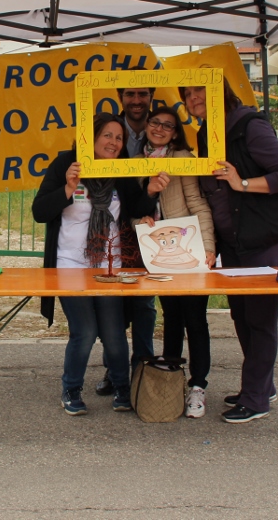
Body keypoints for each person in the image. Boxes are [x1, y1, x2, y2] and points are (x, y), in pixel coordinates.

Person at [180, 78, 278, 423]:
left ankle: (256, 398)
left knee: (261, 319)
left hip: (263, 238)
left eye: (199, 90)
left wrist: (243, 183)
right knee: (242, 315)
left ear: (219, 91)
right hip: (233, 241)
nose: (193, 97)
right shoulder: (206, 133)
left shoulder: (250, 127)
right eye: (187, 94)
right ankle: (261, 385)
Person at [32, 112, 166, 416]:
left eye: (119, 138)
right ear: (90, 137)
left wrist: (151, 191)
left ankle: (122, 387)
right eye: (107, 135)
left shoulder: (120, 169)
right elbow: (40, 211)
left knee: (115, 334)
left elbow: (136, 206)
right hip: (70, 265)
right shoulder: (67, 164)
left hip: (110, 268)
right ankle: (71, 389)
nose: (114, 142)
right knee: (85, 331)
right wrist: (68, 188)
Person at [132, 106, 216, 418]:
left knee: (195, 318)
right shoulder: (135, 161)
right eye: (155, 122)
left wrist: (208, 247)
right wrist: (139, 220)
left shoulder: (182, 158)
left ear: (175, 132)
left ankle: (198, 386)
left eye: (167, 125)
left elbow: (197, 203)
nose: (160, 129)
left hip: (188, 251)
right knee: (171, 317)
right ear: (147, 125)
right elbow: (132, 209)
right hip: (158, 255)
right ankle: (171, 379)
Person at [93, 86, 159, 397]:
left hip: (152, 228)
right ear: (121, 97)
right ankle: (114, 369)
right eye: (130, 94)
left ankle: (143, 369)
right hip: (116, 232)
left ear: (151, 97)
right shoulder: (112, 130)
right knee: (114, 307)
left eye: (142, 94)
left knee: (144, 304)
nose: (136, 100)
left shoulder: (161, 128)